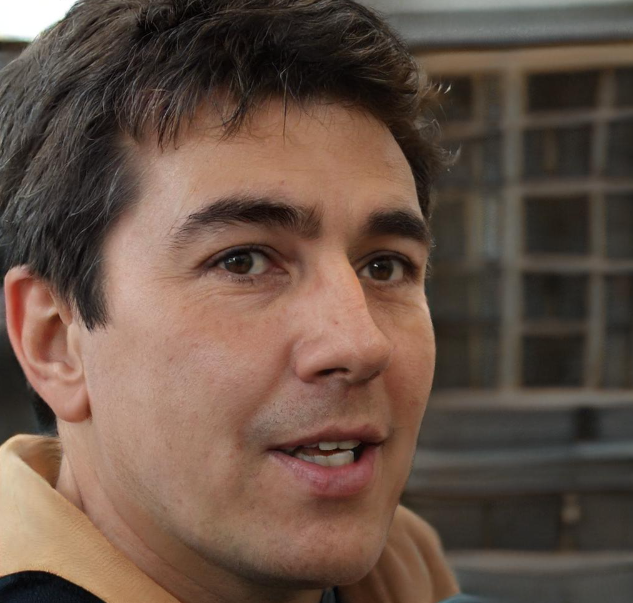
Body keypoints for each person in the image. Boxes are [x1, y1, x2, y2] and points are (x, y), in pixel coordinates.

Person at [0, 0, 473, 601]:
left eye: (385, 266)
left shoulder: (404, 569)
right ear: (55, 342)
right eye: (242, 261)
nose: (360, 343)